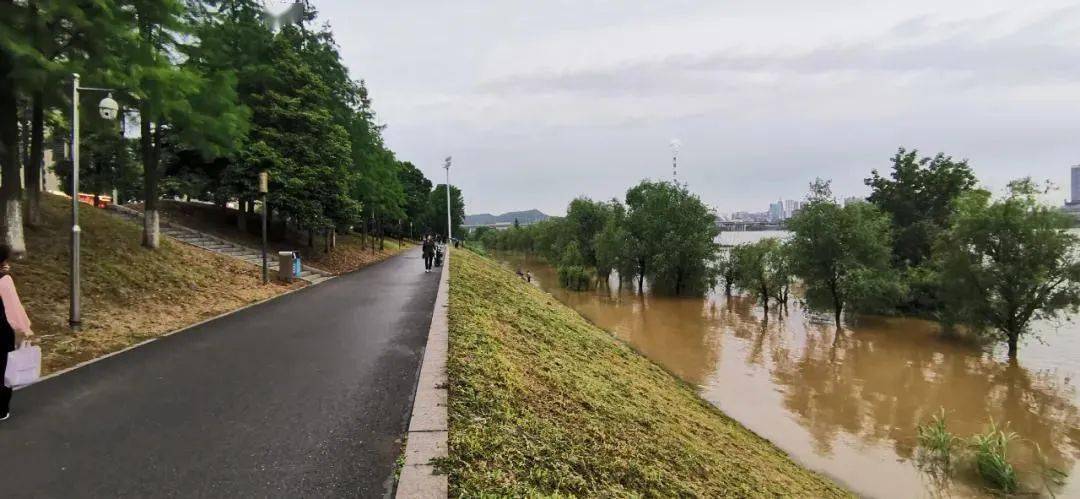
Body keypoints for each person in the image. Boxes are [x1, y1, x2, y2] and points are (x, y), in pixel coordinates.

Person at [0, 244, 32, 421]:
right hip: (2, 332)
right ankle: (2, 409)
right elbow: (13, 309)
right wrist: (24, 328)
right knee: (4, 370)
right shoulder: (4, 280)